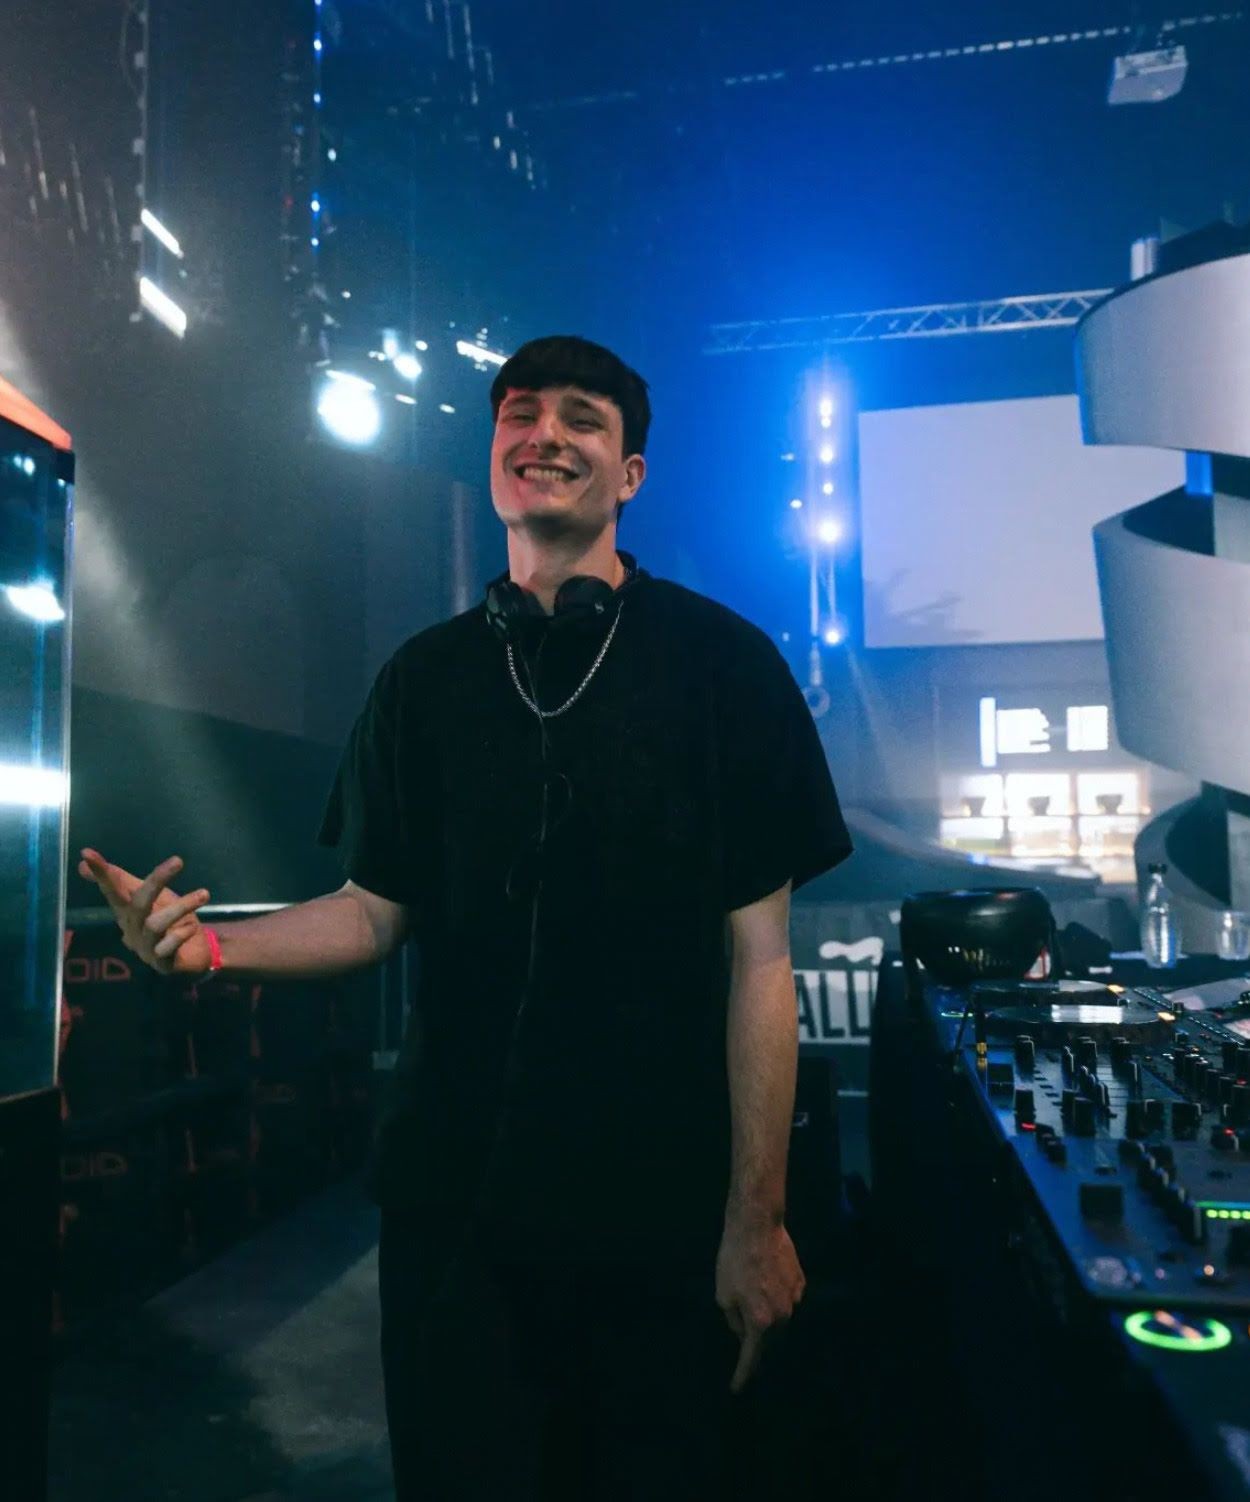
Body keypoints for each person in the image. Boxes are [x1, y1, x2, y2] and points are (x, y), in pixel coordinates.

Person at [80, 334, 853, 1500]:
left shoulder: (722, 668)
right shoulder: (423, 679)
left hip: (662, 1213)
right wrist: (210, 945)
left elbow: (760, 963)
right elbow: (369, 911)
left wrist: (758, 1217)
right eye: (520, 413)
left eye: (582, 417)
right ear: (492, 454)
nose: (545, 433)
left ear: (631, 472)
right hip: (458, 1221)